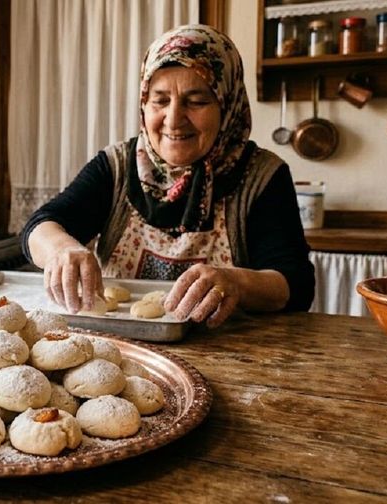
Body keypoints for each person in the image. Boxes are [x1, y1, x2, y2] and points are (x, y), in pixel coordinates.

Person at [21, 24, 315, 328]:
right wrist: (62, 249)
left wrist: (235, 282)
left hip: (229, 352)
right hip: (120, 348)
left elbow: (294, 285)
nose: (173, 120)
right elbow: (40, 225)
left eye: (197, 101)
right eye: (160, 100)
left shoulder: (262, 176)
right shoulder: (118, 165)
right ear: (144, 103)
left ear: (227, 104)